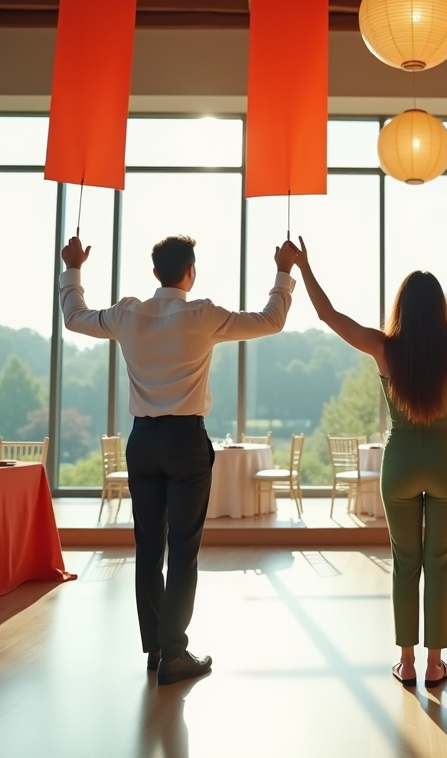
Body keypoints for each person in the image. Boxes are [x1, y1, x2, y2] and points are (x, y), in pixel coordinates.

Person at [293, 232, 447, 687]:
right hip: (445, 458)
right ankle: (433, 664)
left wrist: (303, 266)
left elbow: (328, 315)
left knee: (405, 561)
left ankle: (405, 662)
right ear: (440, 309)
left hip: (400, 459)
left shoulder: (383, 348)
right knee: (438, 562)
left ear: (401, 309)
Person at [59, 233, 299, 685]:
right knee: (183, 549)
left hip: (142, 441)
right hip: (185, 441)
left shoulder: (128, 312)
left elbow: (73, 317)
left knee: (148, 548)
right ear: (190, 272)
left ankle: (155, 648)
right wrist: (284, 271)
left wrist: (73, 267)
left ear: (155, 274)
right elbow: (271, 320)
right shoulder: (202, 314)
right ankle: (175, 653)